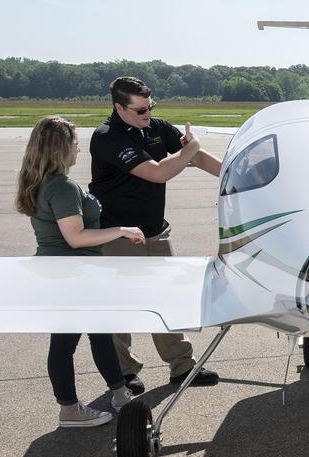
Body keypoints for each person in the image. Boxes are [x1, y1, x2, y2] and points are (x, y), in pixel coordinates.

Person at [88, 76, 224, 394]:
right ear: (119, 107)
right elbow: (158, 172)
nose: (147, 114)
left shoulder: (156, 127)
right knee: (122, 304)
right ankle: (123, 373)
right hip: (118, 235)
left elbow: (196, 157)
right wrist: (191, 147)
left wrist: (237, 175)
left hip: (155, 231)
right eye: (140, 110)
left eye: (150, 106)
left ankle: (182, 366)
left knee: (166, 299)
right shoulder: (107, 137)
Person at [15, 116, 146, 427]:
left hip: (68, 273)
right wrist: (122, 230)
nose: (78, 149)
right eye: (75, 144)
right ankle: (70, 410)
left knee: (100, 334)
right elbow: (75, 237)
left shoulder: (43, 183)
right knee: (65, 344)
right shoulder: (62, 187)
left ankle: (119, 394)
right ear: (60, 149)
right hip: (71, 275)